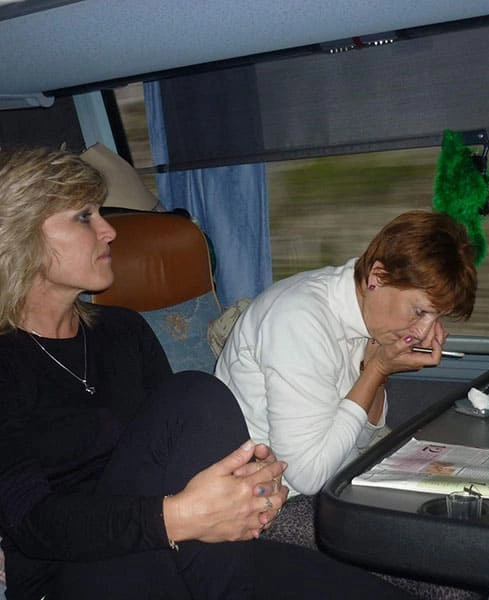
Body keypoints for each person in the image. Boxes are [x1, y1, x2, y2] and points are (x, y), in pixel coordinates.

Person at [0, 147, 416, 600]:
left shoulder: (122, 331)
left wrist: (252, 485)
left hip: (168, 545)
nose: (110, 231)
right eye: (84, 217)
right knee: (197, 394)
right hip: (72, 573)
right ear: (23, 235)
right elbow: (34, 525)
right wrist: (181, 516)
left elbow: (176, 451)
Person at [215, 210, 477, 497]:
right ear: (377, 277)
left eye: (436, 317)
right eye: (419, 311)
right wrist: (376, 370)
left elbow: (357, 442)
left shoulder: (367, 319)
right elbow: (309, 477)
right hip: (276, 495)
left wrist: (376, 372)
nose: (424, 333)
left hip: (335, 475)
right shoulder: (300, 320)